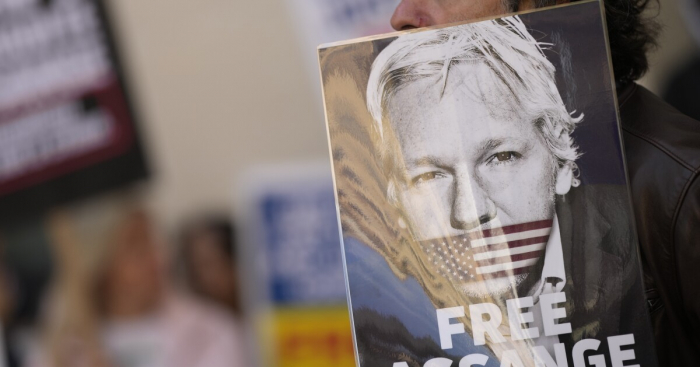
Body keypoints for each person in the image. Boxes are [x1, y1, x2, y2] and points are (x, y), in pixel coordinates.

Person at [385, 0, 700, 365]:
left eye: (500, 157)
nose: (401, 15)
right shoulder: (392, 294)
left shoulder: (682, 189)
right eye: (428, 174)